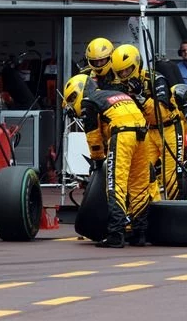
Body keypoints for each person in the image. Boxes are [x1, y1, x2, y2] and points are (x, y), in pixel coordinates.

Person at [63, 74, 149, 248]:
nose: (74, 104)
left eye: (73, 99)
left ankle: (116, 234)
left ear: (80, 90)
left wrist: (97, 160)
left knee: (115, 184)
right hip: (142, 134)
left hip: (123, 135)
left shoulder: (89, 101)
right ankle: (139, 233)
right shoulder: (113, 94)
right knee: (139, 185)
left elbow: (93, 136)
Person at [111, 44, 184, 201]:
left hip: (169, 129)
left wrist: (141, 97)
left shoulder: (156, 79)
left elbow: (162, 113)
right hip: (148, 132)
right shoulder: (121, 87)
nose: (124, 75)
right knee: (143, 172)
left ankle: (177, 213)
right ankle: (151, 208)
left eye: (127, 70)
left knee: (171, 177)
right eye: (120, 72)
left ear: (136, 65)